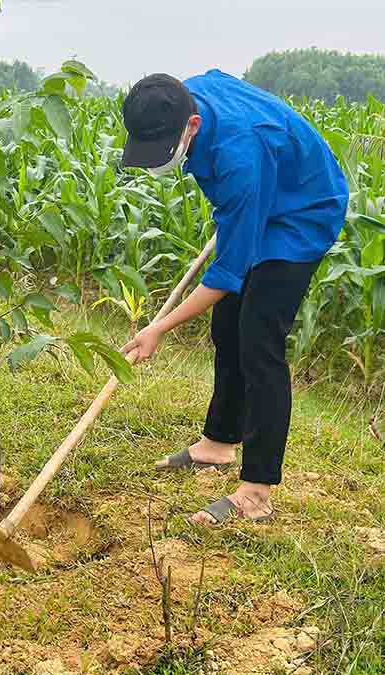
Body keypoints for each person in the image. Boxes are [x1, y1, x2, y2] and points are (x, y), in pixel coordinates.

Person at [119, 71, 349, 527]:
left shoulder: (241, 154)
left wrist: (159, 328)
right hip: (263, 191)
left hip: (302, 210)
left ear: (194, 126)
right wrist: (235, 214)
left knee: (259, 340)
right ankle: (219, 443)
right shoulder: (171, 97)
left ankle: (257, 493)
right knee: (227, 325)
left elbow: (228, 273)